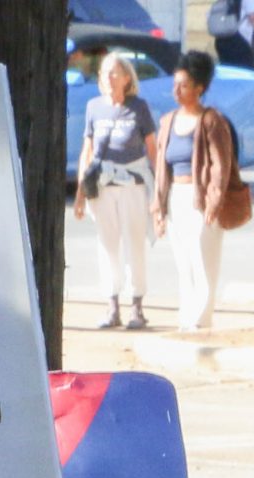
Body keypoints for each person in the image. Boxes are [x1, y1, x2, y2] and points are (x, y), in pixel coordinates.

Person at [153, 49, 246, 334]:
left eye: (183, 85)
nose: (176, 90)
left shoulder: (211, 121)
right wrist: (159, 207)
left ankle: (201, 317)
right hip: (176, 198)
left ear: (199, 88)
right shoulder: (168, 121)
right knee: (183, 261)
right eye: (175, 84)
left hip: (201, 198)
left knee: (203, 259)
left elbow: (221, 164)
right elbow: (161, 165)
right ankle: (186, 314)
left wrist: (213, 203)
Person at [74, 51, 161, 331]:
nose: (109, 78)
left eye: (114, 73)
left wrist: (159, 191)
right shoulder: (94, 107)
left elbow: (152, 150)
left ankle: (137, 305)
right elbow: (87, 152)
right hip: (102, 186)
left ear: (126, 78)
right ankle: (112, 306)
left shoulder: (138, 107)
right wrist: (79, 194)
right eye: (104, 73)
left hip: (132, 185)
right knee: (107, 245)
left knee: (134, 243)